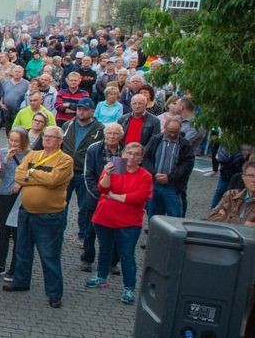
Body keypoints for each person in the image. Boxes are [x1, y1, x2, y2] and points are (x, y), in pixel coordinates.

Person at [4, 126, 74, 308]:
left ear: (60, 141)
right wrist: (37, 175)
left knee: (49, 255)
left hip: (49, 216)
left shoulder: (65, 160)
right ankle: (21, 281)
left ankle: (54, 293)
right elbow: (19, 175)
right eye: (46, 136)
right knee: (22, 249)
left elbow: (54, 180)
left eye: (53, 137)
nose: (48, 139)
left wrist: (32, 173)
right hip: (26, 211)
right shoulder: (33, 155)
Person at [88, 142, 153, 305]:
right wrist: (108, 175)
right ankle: (101, 277)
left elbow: (137, 198)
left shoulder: (145, 176)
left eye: (136, 154)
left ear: (141, 158)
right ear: (123, 153)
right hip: (105, 217)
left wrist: (114, 196)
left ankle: (129, 287)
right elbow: (102, 189)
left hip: (129, 222)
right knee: (104, 249)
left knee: (127, 255)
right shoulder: (115, 167)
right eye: (129, 153)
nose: (132, 157)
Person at [61, 98, 105, 249]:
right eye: (79, 108)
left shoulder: (100, 129)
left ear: (92, 111)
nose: (81, 111)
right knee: (61, 204)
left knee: (85, 207)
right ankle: (59, 232)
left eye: (85, 109)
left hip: (85, 173)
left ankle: (83, 235)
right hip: (66, 172)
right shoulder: (68, 125)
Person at [0, 129, 29, 279]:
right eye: (11, 140)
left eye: (17, 141)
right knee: (3, 232)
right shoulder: (3, 152)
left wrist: (20, 183)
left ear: (24, 141)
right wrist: (6, 160)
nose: (13, 143)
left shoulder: (31, 155)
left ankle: (14, 267)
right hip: (4, 194)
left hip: (20, 198)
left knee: (17, 233)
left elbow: (32, 176)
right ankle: (0, 264)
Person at [142, 117, 194, 219]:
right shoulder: (156, 139)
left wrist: (170, 177)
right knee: (154, 215)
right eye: (170, 131)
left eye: (176, 132)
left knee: (174, 216)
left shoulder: (185, 144)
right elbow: (146, 158)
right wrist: (154, 174)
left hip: (173, 186)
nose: (173, 135)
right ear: (164, 128)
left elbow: (187, 165)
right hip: (155, 184)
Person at [207, 161, 255, 227]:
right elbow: (211, 217)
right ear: (243, 177)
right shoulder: (231, 195)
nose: (254, 180)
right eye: (251, 176)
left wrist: (226, 217)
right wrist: (244, 223)